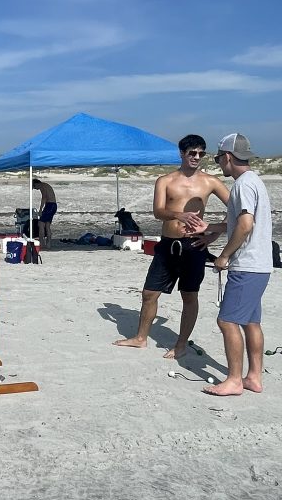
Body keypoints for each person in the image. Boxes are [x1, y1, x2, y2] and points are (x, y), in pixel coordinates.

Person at [113, 134, 230, 359]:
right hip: (168, 245)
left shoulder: (210, 181)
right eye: (192, 153)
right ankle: (140, 338)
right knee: (149, 293)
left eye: (201, 153)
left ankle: (181, 344)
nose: (196, 157)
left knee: (189, 295)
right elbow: (158, 212)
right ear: (181, 153)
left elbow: (237, 207)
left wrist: (211, 236)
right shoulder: (165, 180)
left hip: (194, 246)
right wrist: (179, 214)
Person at [200, 133, 273, 396]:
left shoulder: (242, 184)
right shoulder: (255, 181)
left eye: (219, 157)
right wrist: (210, 227)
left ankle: (233, 380)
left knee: (227, 321)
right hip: (261, 265)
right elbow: (239, 223)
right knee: (251, 322)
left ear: (228, 157)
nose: (219, 162)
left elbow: (245, 225)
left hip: (247, 266)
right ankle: (253, 376)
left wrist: (224, 256)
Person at [32, 178, 57, 249]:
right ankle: (48, 243)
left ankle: (42, 243)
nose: (35, 189)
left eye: (34, 187)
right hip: (53, 205)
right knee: (47, 225)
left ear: (36, 183)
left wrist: (40, 210)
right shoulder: (46, 185)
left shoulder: (42, 186)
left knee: (40, 223)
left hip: (50, 205)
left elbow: (44, 198)